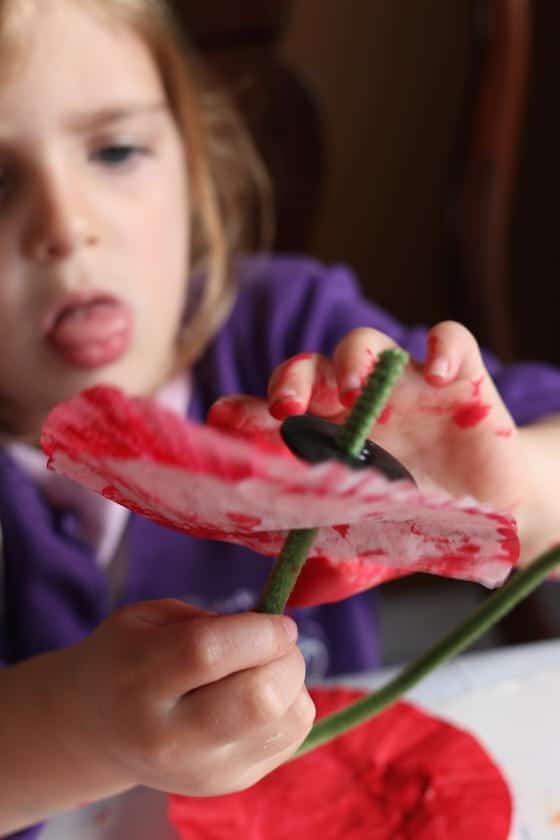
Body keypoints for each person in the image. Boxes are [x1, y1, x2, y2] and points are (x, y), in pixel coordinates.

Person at [0, 0, 559, 837]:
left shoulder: (287, 331)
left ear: (194, 162)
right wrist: (73, 728)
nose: (66, 227)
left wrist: (503, 501)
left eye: (116, 150)